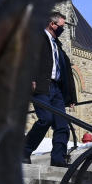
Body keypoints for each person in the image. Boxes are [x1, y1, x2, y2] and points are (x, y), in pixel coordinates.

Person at [23, 11, 77, 167]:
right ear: (52, 24)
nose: (63, 29)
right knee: (45, 119)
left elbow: (66, 71)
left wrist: (71, 97)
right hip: (41, 86)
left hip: (57, 90)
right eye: (61, 26)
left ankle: (58, 158)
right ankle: (24, 151)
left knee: (62, 125)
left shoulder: (58, 45)